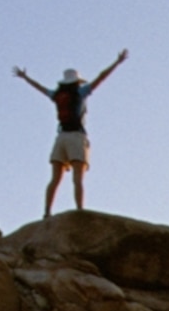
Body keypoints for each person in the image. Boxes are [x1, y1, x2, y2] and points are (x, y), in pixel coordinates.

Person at [14, 49, 128, 215]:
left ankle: (47, 211)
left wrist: (25, 78)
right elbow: (101, 77)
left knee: (55, 178)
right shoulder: (81, 93)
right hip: (76, 136)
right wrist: (117, 62)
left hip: (60, 137)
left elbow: (40, 88)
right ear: (77, 81)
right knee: (77, 178)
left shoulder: (57, 95)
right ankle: (79, 209)